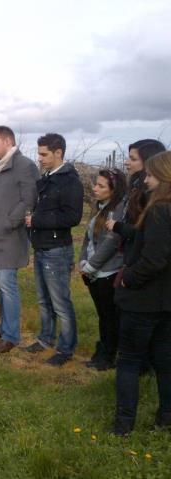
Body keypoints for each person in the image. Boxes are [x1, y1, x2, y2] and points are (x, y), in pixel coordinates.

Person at [112, 151, 171, 435]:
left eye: (149, 175)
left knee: (129, 361)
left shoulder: (160, 209)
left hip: (145, 300)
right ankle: (166, 418)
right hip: (166, 302)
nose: (145, 180)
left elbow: (155, 258)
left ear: (163, 176)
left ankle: (123, 424)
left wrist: (129, 279)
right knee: (165, 360)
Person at [23, 133, 84, 366]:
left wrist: (36, 221)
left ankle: (66, 349)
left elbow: (72, 216)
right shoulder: (47, 178)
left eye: (44, 154)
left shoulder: (70, 181)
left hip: (57, 250)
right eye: (39, 153)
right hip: (42, 247)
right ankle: (46, 338)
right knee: (43, 300)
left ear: (58, 153)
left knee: (61, 303)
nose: (39, 158)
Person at [0, 126, 39, 353]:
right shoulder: (1, 168)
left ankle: (11, 336)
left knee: (8, 286)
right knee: (0, 286)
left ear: (7, 141)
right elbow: (5, 200)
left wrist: (8, 222)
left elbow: (28, 201)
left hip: (11, 237)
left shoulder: (24, 165)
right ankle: (4, 328)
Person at [79, 169, 127, 371]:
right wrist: (82, 261)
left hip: (107, 272)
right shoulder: (100, 207)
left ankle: (108, 356)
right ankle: (104, 352)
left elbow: (111, 242)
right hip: (93, 272)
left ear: (113, 190)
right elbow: (88, 238)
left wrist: (90, 265)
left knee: (110, 317)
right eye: (95, 184)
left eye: (101, 186)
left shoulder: (118, 210)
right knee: (104, 316)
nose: (95, 188)